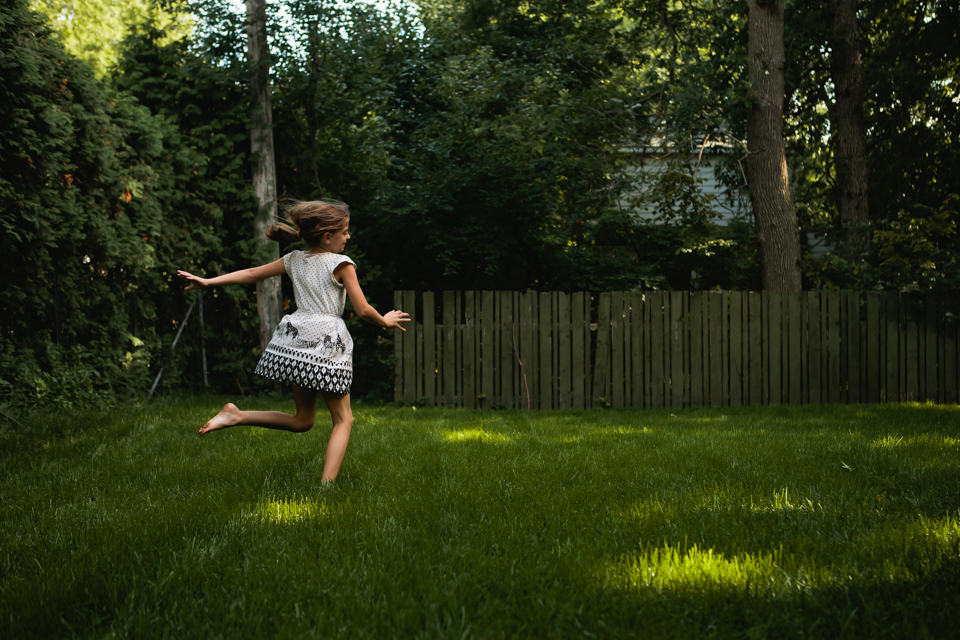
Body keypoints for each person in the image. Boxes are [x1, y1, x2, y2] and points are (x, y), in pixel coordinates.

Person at [177, 200, 409, 484]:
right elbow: (362, 310)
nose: (348, 237)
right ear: (327, 237)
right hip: (325, 344)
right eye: (345, 232)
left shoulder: (294, 259)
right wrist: (384, 320)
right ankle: (326, 487)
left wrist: (209, 282)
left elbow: (251, 275)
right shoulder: (342, 264)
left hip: (296, 342)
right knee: (344, 420)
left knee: (303, 420)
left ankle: (236, 415)